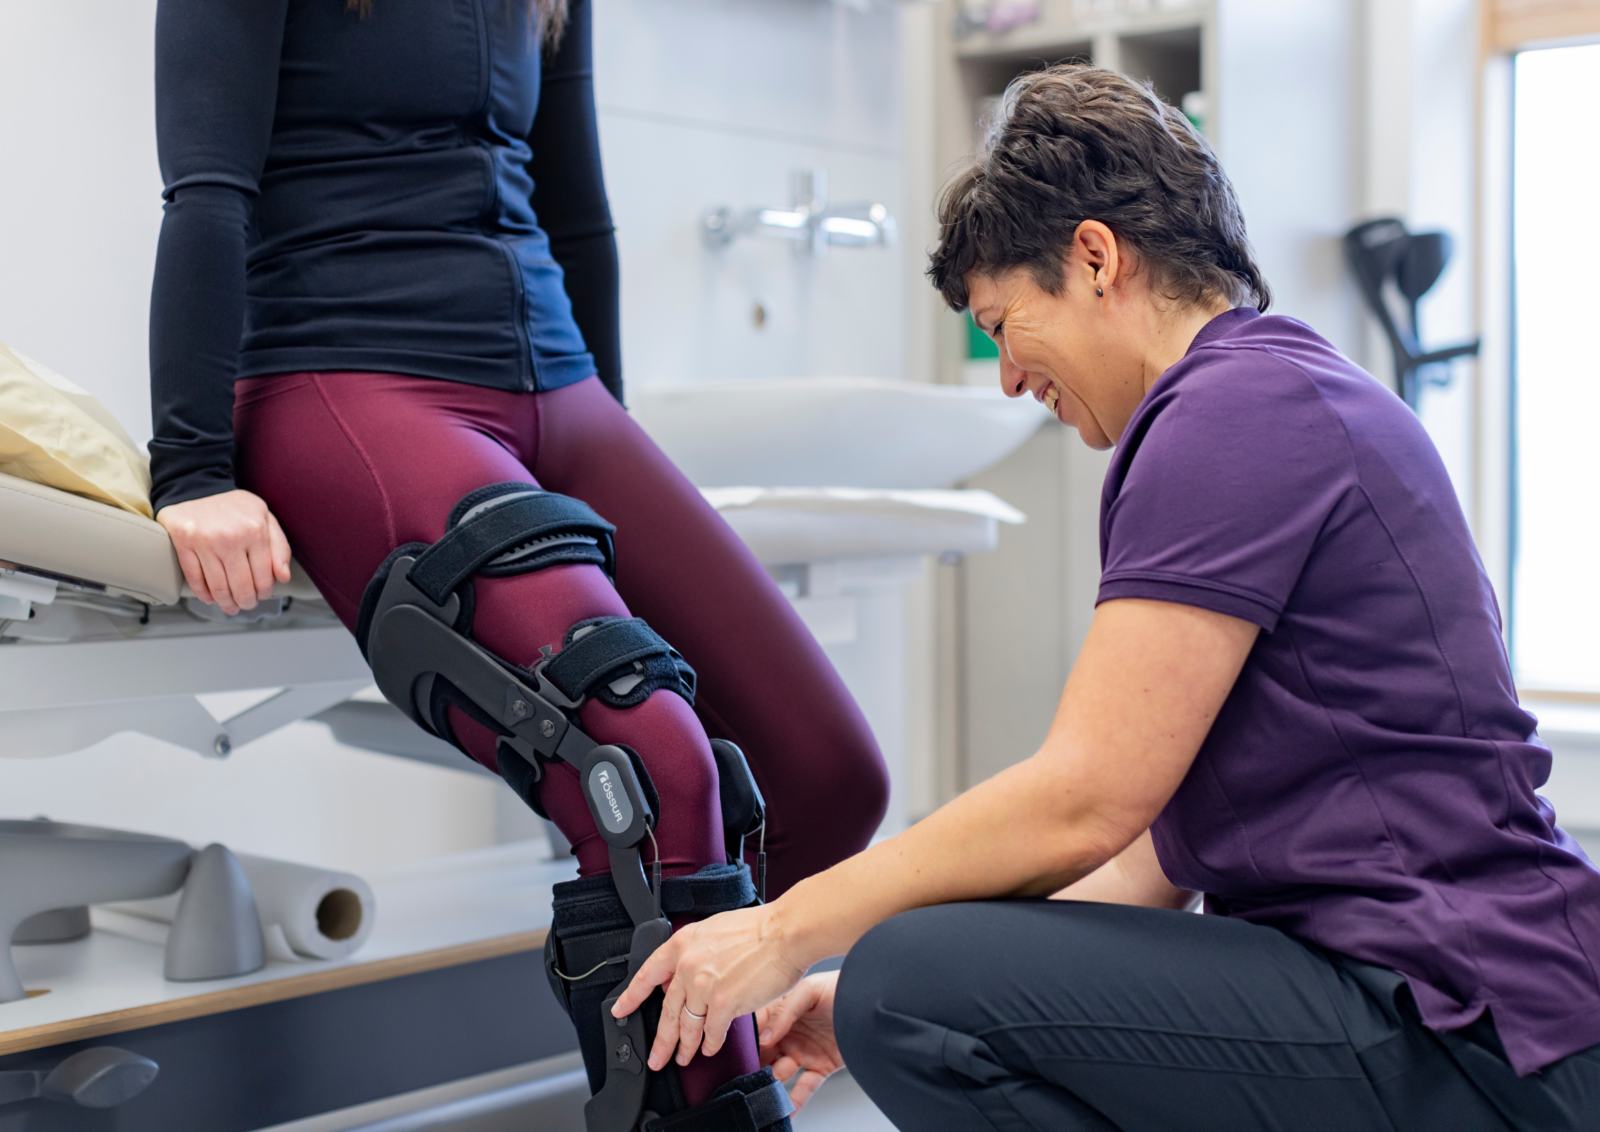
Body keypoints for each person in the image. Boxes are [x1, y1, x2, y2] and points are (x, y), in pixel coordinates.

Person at [610, 65, 1600, 1131]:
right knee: (900, 987)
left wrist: (783, 931)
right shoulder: (1273, 391)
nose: (1004, 375)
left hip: (1461, 1024)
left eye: (1004, 325)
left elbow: (1085, 799)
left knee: (909, 978)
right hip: (1463, 1008)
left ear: (1093, 258)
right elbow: (1144, 865)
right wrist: (861, 1000)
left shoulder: (1232, 412)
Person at [146, 1, 887, 1126]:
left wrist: (611, 449)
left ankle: (695, 1030)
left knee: (825, 778)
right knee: (647, 763)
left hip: (557, 384)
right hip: (348, 366)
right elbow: (206, 192)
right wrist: (194, 470)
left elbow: (577, 210)